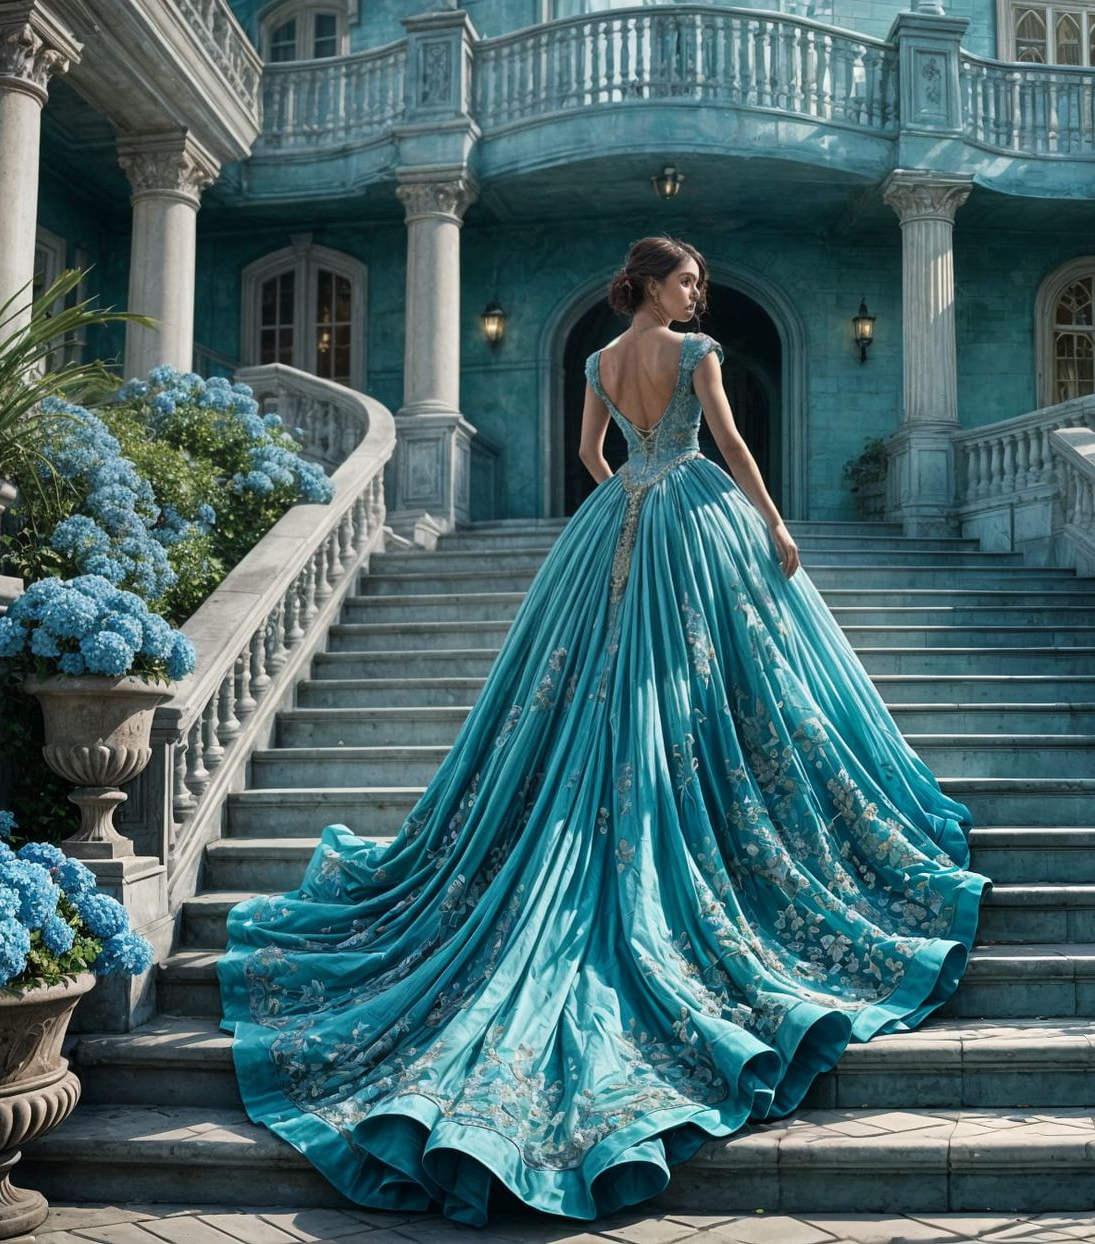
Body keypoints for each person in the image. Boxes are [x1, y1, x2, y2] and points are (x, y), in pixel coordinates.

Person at [217, 234, 992, 1227]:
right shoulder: (698, 352)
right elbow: (731, 444)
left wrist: (629, 481)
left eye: (700, 284)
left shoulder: (594, 359)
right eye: (687, 281)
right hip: (693, 512)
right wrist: (773, 521)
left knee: (604, 681)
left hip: (617, 515)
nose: (696, 293)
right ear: (654, 284)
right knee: (721, 678)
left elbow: (589, 455)